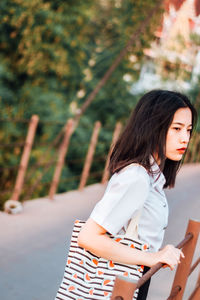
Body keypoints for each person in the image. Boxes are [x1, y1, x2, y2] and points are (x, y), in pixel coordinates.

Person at [78, 90, 197, 299]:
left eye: (188, 130)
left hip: (131, 280)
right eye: (176, 129)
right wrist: (153, 257)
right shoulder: (137, 177)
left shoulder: (150, 178)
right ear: (153, 127)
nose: (185, 138)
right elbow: (88, 237)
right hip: (117, 285)